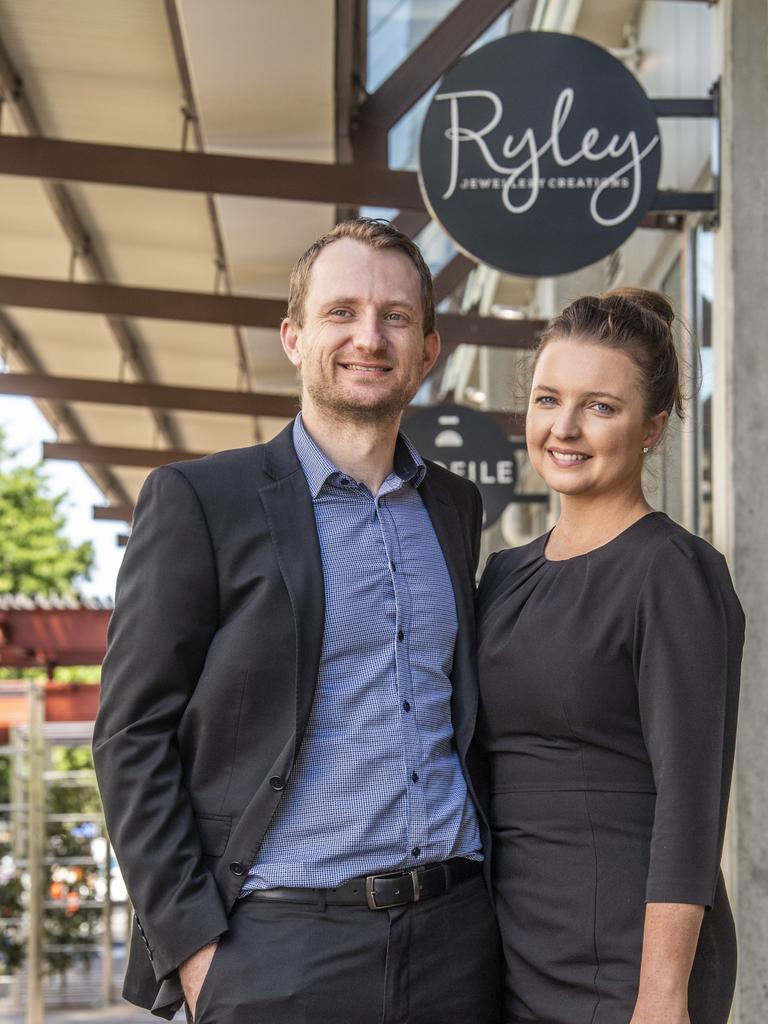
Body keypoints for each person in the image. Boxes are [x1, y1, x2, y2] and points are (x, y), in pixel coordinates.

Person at [93, 217, 501, 1024]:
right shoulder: (201, 501)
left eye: (395, 316)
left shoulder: (455, 507)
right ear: (293, 336)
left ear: (427, 348)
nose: (369, 336)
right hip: (279, 947)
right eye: (340, 311)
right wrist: (196, 947)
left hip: (456, 938)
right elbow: (130, 735)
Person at [476, 288, 743, 1024]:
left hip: (629, 964)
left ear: (653, 426)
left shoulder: (674, 572)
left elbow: (692, 803)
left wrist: (661, 995)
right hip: (511, 949)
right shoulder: (503, 576)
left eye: (601, 406)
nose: (564, 427)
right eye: (547, 399)